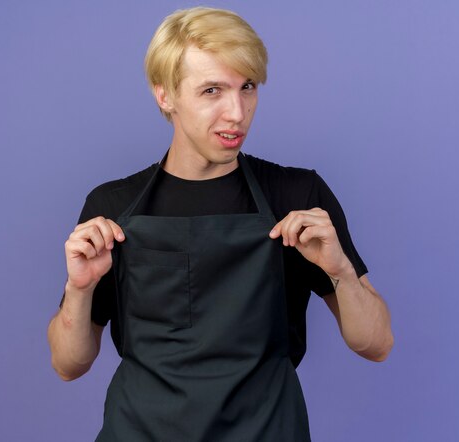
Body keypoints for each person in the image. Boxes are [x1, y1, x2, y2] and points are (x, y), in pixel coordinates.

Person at [47, 6, 393, 441]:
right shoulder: (112, 206)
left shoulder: (297, 197)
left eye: (247, 87)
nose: (237, 112)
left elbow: (376, 344)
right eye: (212, 90)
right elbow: (68, 364)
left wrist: (340, 270)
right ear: (165, 95)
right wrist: (80, 289)